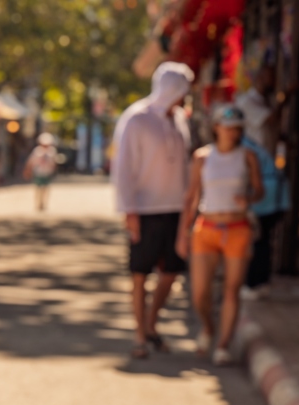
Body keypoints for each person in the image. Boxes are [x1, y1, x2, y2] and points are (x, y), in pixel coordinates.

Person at [111, 61, 193, 362]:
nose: (185, 97)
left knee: (171, 272)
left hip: (175, 209)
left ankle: (151, 323)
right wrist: (128, 210)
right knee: (139, 274)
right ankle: (139, 335)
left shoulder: (179, 121)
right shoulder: (136, 119)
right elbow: (123, 169)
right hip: (144, 209)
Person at [177, 105, 263, 365]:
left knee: (231, 290)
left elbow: (259, 191)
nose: (232, 132)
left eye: (236, 128)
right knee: (199, 292)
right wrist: (183, 233)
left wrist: (248, 198)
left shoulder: (248, 156)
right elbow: (191, 196)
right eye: (227, 127)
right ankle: (208, 327)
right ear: (216, 128)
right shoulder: (202, 157)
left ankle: (223, 344)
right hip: (207, 227)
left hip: (237, 228)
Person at [241, 132, 289, 300]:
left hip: (266, 198)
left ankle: (255, 283)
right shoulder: (248, 143)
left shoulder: (243, 147)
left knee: (258, 242)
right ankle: (259, 283)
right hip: (272, 196)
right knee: (261, 241)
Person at [24, 133, 58, 212]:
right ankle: (38, 203)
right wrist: (28, 170)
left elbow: (54, 162)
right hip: (38, 172)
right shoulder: (37, 151)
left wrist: (54, 170)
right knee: (38, 188)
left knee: (46, 188)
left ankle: (44, 203)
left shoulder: (52, 151)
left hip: (47, 172)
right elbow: (31, 162)